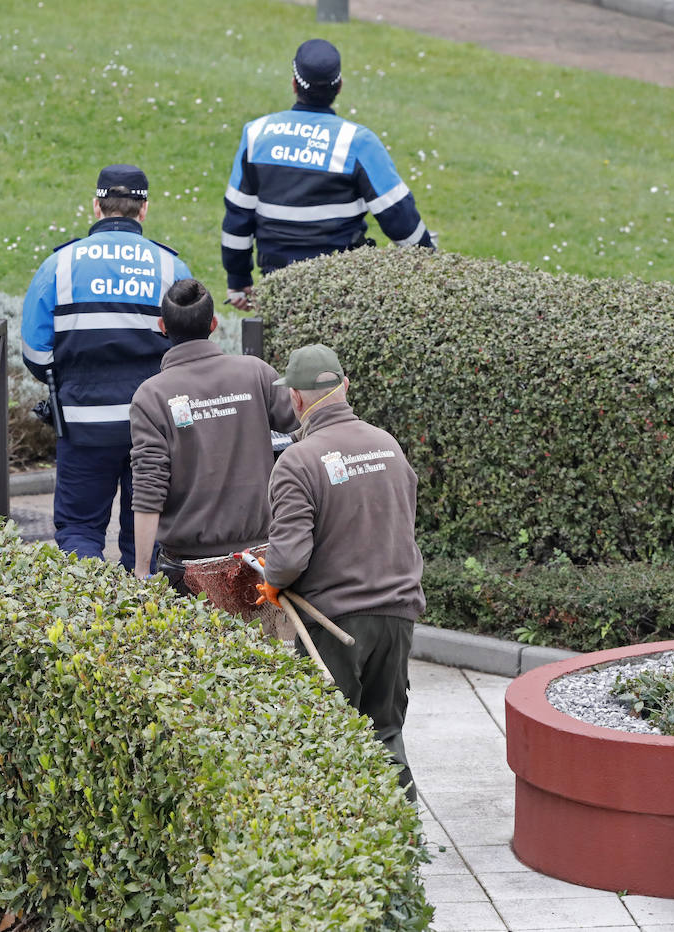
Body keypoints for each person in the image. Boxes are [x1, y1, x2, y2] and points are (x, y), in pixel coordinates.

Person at [256, 344, 426, 800]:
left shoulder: (298, 460)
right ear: (345, 387)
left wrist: (271, 585)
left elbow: (289, 558)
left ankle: (346, 856)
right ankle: (403, 843)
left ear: (294, 400)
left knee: (330, 742)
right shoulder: (387, 444)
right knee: (386, 733)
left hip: (336, 622)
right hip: (397, 615)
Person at [22, 164, 192, 571]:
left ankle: (88, 624)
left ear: (96, 206)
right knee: (149, 537)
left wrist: (67, 382)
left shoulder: (59, 266)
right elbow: (189, 348)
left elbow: (34, 352)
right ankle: (148, 623)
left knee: (79, 530)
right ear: (143, 210)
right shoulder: (171, 268)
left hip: (82, 426)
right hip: (154, 429)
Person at [220, 38, 436, 309]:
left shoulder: (257, 134)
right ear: (340, 86)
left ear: (294, 84)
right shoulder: (357, 141)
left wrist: (238, 280)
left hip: (276, 283)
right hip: (341, 289)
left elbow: (238, 217)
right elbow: (398, 216)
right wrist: (430, 263)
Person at [128, 279, 298, 592]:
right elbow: (304, 421)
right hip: (261, 561)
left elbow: (149, 488)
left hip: (188, 569)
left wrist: (141, 571)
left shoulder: (151, 396)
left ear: (163, 326)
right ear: (214, 324)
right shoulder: (256, 373)